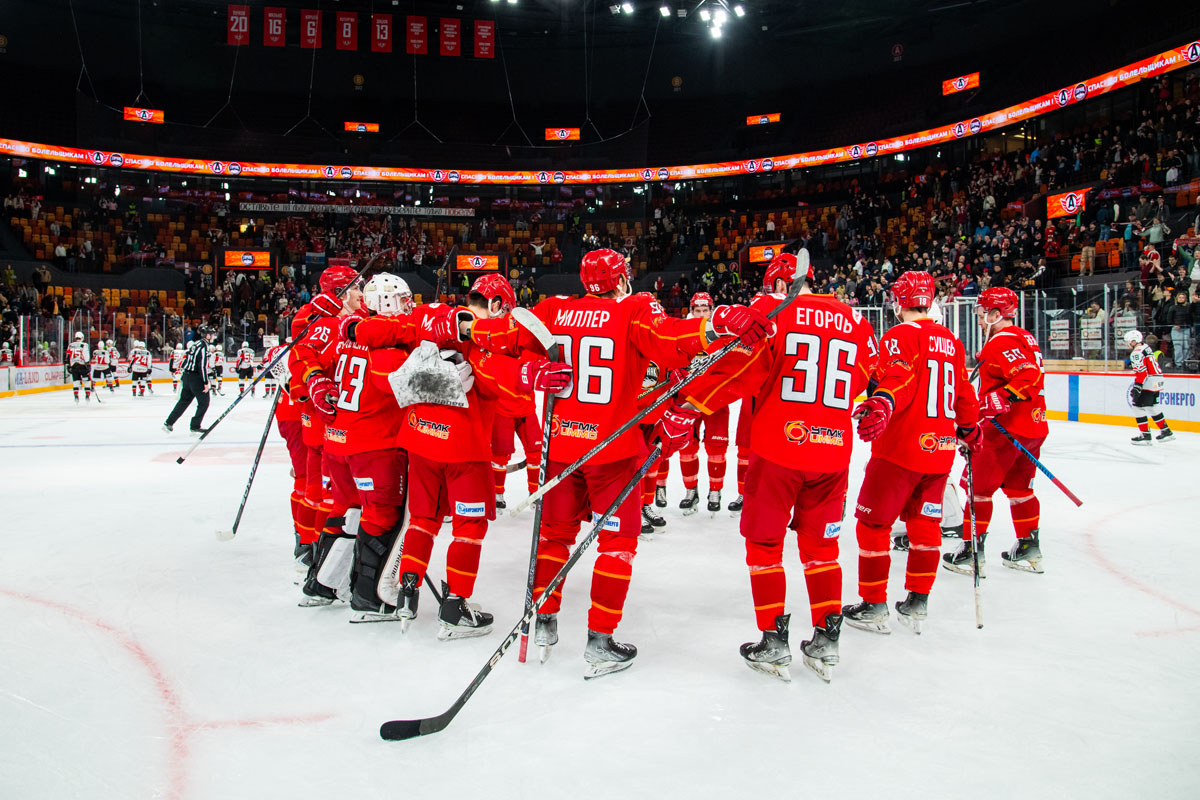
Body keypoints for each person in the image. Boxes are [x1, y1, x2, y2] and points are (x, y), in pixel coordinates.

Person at [460, 248, 772, 676]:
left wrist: (498, 351)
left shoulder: (552, 310)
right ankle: (600, 641)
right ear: (621, 279)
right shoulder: (634, 311)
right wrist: (717, 323)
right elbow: (674, 341)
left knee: (553, 538)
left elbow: (496, 338)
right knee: (617, 545)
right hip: (614, 452)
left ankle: (545, 621)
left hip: (561, 451)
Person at [683, 252, 878, 682]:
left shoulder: (773, 309)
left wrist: (690, 404)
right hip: (832, 454)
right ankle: (827, 638)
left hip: (778, 450)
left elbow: (738, 371)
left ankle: (773, 641)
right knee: (822, 550)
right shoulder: (854, 319)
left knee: (764, 546)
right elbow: (866, 381)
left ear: (777, 285)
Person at [347, 277, 566, 637]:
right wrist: (530, 373)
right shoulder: (481, 340)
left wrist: (353, 327)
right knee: (469, 527)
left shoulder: (425, 316)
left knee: (422, 520)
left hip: (420, 440)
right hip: (464, 450)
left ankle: (407, 596)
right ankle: (454, 608)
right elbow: (507, 389)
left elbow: (381, 341)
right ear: (495, 305)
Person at [842, 270, 981, 636]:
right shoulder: (951, 341)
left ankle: (874, 604)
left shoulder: (900, 335)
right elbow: (964, 395)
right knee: (925, 525)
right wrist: (970, 430)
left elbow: (898, 378)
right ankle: (918, 600)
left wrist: (883, 402)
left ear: (900, 300)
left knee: (873, 524)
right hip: (940, 451)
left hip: (899, 450)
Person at [943, 287, 1050, 577]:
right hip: (1033, 426)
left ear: (996, 314)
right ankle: (1029, 549)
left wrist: (1001, 396)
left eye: (982, 314)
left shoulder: (1001, 341)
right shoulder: (1024, 337)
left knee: (978, 490)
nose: (979, 320)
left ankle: (971, 553)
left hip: (1004, 431)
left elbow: (1028, 375)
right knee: (1020, 489)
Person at [655, 292, 731, 516]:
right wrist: (674, 372)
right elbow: (670, 359)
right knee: (687, 447)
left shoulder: (724, 333)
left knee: (717, 447)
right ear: (691, 311)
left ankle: (715, 492)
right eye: (697, 311)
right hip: (688, 399)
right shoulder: (683, 333)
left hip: (716, 398)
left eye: (705, 310)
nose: (701, 314)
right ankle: (691, 492)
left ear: (711, 310)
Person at [477, 275, 542, 511]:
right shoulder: (482, 332)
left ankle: (535, 492)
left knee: (536, 450)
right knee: (500, 453)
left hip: (525, 406)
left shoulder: (517, 328)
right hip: (502, 407)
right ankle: (497, 493)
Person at [1124, 329, 1174, 444]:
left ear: (1134, 341)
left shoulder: (1136, 353)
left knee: (1137, 407)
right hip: (1158, 379)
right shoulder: (1145, 347)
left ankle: (1145, 435)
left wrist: (1137, 386)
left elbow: (1142, 372)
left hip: (1149, 381)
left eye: (1128, 341)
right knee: (1151, 407)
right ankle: (1166, 431)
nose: (1127, 344)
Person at [163, 327, 214, 434]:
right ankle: (195, 426)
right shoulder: (204, 346)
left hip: (186, 376)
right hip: (196, 379)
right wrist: (205, 382)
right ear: (208, 335)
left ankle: (168, 423)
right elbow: (202, 366)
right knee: (204, 403)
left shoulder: (196, 344)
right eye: (212, 334)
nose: (214, 336)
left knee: (183, 401)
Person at [66, 332, 90, 403]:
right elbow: (86, 355)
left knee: (76, 381)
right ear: (82, 338)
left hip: (74, 365)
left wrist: (68, 365)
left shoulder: (70, 345)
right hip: (82, 365)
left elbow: (68, 356)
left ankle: (76, 396)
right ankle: (87, 395)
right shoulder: (84, 345)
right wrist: (87, 364)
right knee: (86, 381)